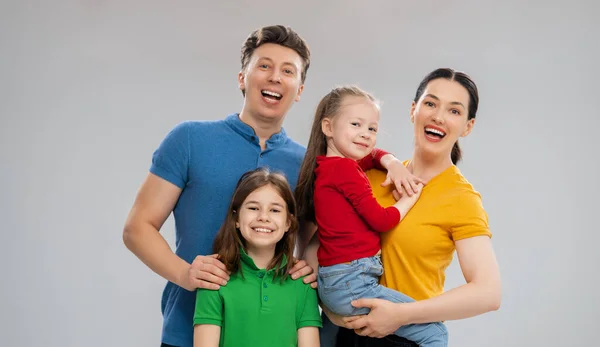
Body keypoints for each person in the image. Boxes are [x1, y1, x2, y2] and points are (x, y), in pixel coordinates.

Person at [122, 24, 418, 347]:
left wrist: (310, 266)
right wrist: (185, 275)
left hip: (276, 335)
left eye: (288, 71)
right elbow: (138, 227)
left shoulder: (309, 164)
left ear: (300, 90)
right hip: (185, 333)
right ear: (242, 78)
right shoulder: (189, 139)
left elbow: (317, 237)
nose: (275, 77)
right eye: (264, 66)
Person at [303, 68, 502, 347]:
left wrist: (401, 315)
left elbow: (488, 293)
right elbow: (322, 240)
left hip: (402, 337)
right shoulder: (366, 174)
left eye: (454, 111)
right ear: (413, 110)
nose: (438, 116)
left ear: (467, 126)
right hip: (343, 335)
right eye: (430, 104)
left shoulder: (460, 197)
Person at [294, 86, 447, 347]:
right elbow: (382, 220)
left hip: (333, 282)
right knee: (435, 332)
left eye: (372, 129)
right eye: (356, 124)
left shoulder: (329, 165)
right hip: (353, 283)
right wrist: (410, 198)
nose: (365, 134)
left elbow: (374, 155)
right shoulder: (346, 170)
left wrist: (392, 163)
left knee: (330, 336)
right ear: (328, 127)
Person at [193, 168, 321, 347]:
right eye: (253, 208)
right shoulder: (215, 277)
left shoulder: (302, 282)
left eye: (275, 210)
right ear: (236, 218)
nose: (263, 217)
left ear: (288, 223)